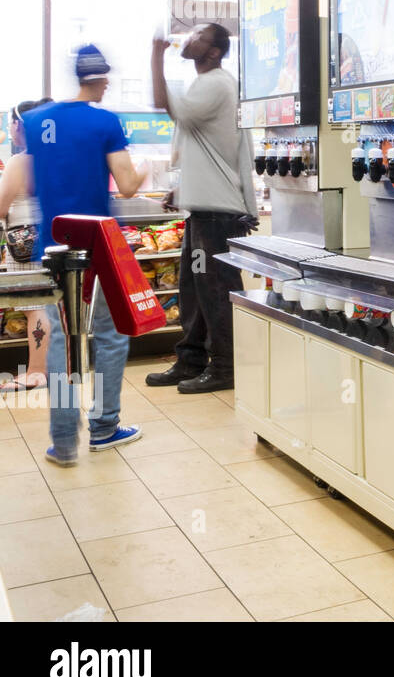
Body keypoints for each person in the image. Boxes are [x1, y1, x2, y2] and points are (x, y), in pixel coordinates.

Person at [0, 47, 146, 465]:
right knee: (111, 334)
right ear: (99, 79)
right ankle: (104, 427)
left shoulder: (34, 121)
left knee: (60, 342)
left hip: (53, 248)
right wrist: (145, 174)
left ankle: (64, 443)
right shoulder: (105, 121)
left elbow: (20, 187)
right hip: (98, 247)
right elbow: (129, 184)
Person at [146, 24, 256, 394]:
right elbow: (208, 150)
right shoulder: (208, 83)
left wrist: (156, 55)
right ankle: (191, 359)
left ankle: (226, 367)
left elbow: (167, 106)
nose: (189, 39)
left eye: (199, 37)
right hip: (204, 209)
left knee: (215, 290)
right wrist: (183, 187)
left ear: (213, 52)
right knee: (194, 288)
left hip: (217, 213)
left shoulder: (216, 83)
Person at [0, 97, 53, 391]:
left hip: (23, 243)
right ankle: (47, 367)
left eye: (11, 122)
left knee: (35, 308)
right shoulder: (54, 157)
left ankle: (36, 372)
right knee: (48, 305)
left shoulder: (20, 161)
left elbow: (1, 207)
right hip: (48, 238)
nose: (9, 128)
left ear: (21, 126)